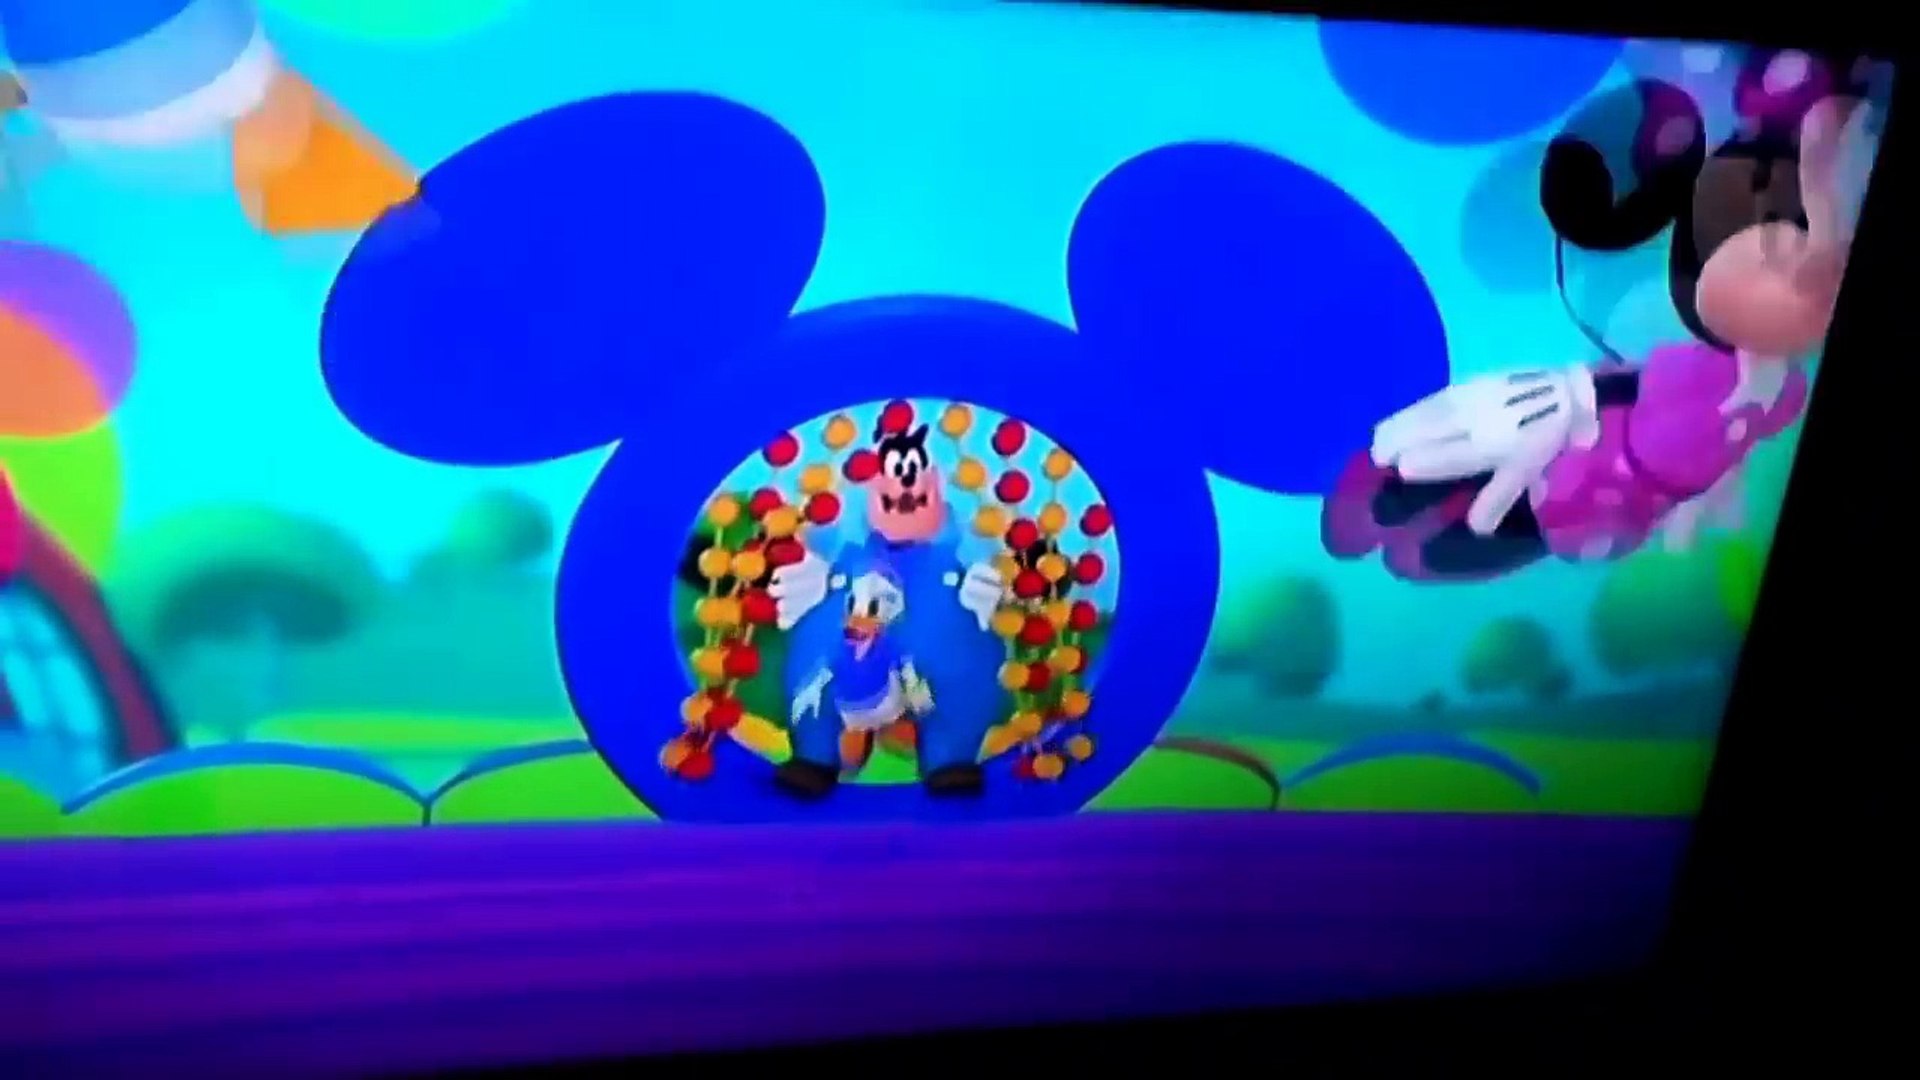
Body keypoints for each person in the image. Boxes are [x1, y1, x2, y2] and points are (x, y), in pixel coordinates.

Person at [1324, 54, 1880, 582]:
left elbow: (1716, 436)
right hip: (1589, 453)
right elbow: (1644, 401)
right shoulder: (1703, 365)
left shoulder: (1758, 382)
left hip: (1601, 483)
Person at [771, 415, 1006, 797]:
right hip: (848, 657)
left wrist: (987, 587)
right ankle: (815, 754)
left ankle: (950, 756)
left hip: (937, 653)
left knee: (960, 657)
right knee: (815, 660)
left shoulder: (956, 553)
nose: (906, 485)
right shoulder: (845, 552)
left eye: (915, 473)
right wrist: (809, 578)